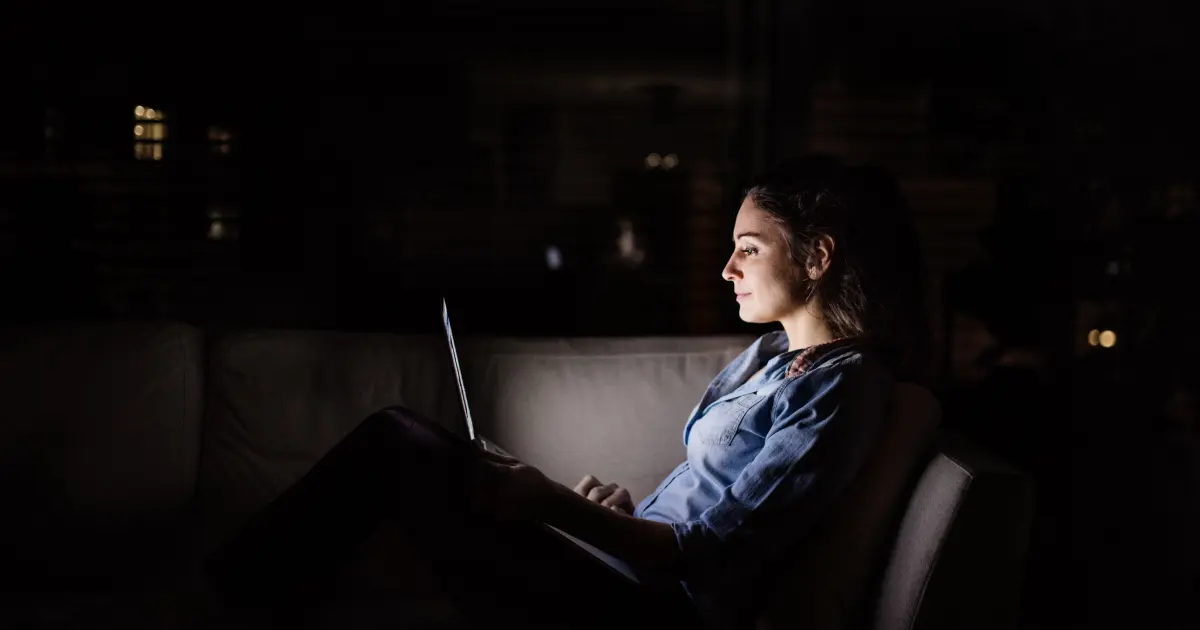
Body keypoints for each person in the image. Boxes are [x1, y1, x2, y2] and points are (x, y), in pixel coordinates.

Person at [203, 156, 929, 629]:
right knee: (425, 458)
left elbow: (708, 554)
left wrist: (551, 503)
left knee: (400, 443)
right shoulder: (771, 357)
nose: (726, 269)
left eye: (748, 247)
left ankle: (225, 599)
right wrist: (609, 513)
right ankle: (243, 593)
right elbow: (697, 504)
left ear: (819, 255)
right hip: (624, 572)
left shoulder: (841, 390)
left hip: (647, 612)